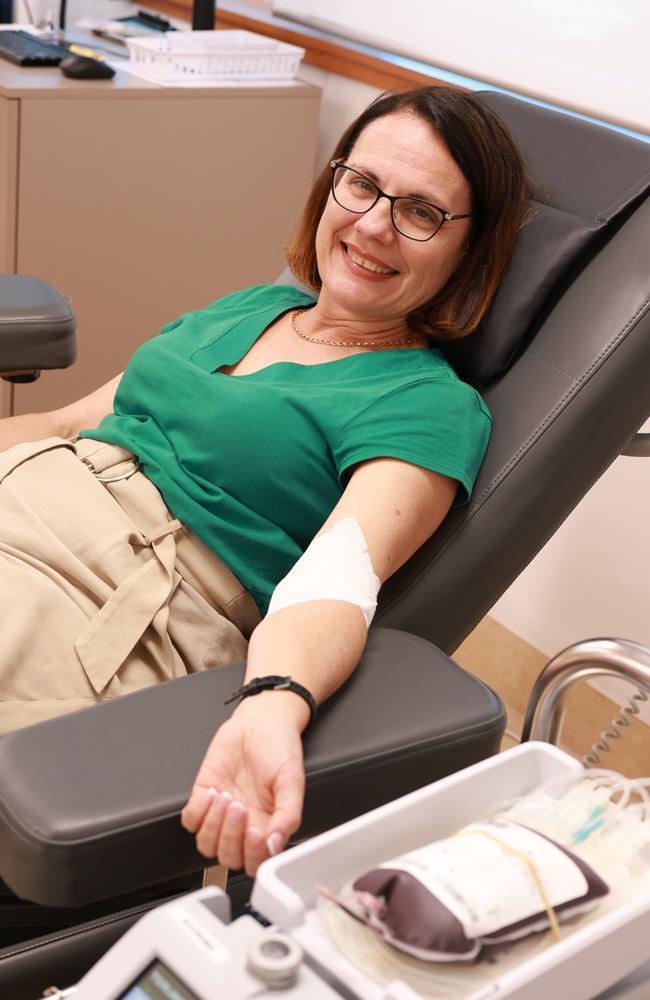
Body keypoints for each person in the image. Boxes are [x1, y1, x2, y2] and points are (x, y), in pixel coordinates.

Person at [0, 86, 529, 877]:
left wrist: (275, 701)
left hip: (100, 600)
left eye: (421, 212)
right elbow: (70, 423)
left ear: (469, 249)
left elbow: (339, 575)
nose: (374, 224)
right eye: (362, 184)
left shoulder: (425, 404)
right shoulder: (255, 307)